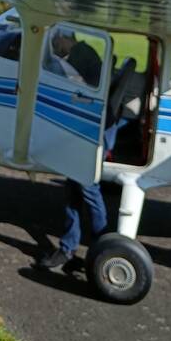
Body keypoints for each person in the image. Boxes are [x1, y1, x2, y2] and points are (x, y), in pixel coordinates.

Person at [37, 28, 110, 271]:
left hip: (92, 131)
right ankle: (69, 247)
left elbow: (84, 94)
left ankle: (102, 247)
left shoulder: (80, 56)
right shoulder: (82, 52)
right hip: (90, 128)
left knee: (88, 188)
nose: (56, 48)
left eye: (56, 43)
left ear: (64, 39)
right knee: (73, 190)